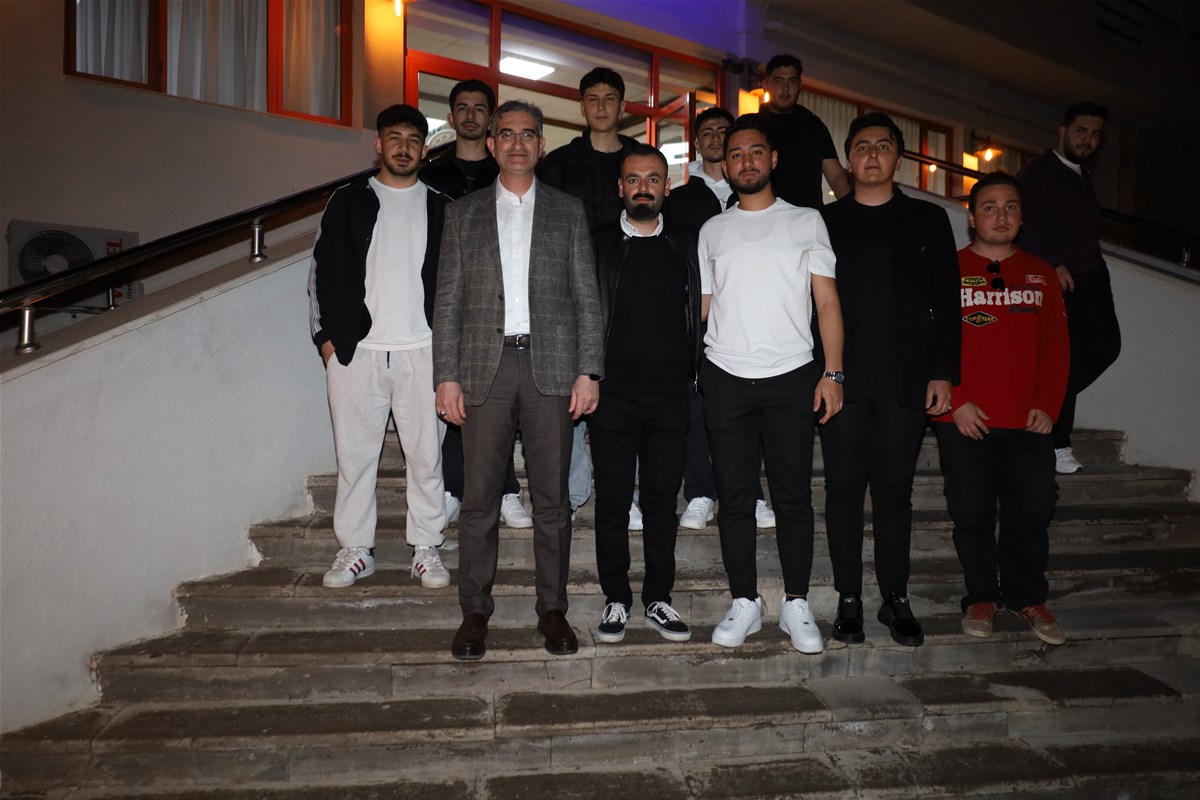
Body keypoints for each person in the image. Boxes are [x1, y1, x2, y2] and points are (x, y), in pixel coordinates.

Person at [434, 99, 604, 661]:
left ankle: (552, 609)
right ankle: (474, 612)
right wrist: (446, 377)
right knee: (479, 499)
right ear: (491, 143)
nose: (516, 143)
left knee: (552, 500)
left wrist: (589, 370)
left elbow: (587, 298)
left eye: (527, 134)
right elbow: (448, 303)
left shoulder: (568, 211)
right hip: (484, 369)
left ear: (541, 144)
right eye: (506, 134)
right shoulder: (463, 214)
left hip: (551, 369)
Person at [700, 119, 845, 655]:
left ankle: (795, 602)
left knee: (793, 498)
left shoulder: (807, 221)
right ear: (725, 164)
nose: (746, 161)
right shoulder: (712, 230)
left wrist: (833, 372)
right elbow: (704, 307)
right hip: (725, 377)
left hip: (792, 376)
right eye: (736, 153)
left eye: (755, 151)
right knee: (735, 499)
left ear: (774, 158)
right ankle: (744, 600)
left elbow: (827, 303)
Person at [817, 112, 960, 648]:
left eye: (882, 146)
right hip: (842, 378)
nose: (872, 154)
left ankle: (895, 597)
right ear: (849, 160)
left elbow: (948, 302)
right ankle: (849, 599)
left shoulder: (928, 219)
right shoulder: (824, 222)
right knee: (843, 488)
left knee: (895, 491)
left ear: (898, 159)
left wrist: (943, 372)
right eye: (862, 147)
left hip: (907, 379)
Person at [308, 104, 451, 590]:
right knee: (354, 459)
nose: (404, 147)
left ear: (424, 149)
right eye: (395, 138)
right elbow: (321, 272)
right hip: (357, 352)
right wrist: (327, 342)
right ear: (379, 144)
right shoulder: (347, 201)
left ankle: (426, 546)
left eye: (413, 139)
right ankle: (356, 549)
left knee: (427, 459)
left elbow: (458, 284)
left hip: (425, 350)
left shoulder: (443, 206)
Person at [933, 171, 1070, 646]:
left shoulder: (1041, 274)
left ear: (1022, 217)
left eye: (1010, 207)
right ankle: (981, 597)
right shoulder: (946, 269)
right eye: (989, 207)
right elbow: (929, 344)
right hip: (964, 419)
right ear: (971, 217)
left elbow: (1056, 351)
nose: (1001, 215)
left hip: (1028, 423)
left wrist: (1047, 407)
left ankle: (1027, 597)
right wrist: (955, 402)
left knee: (1031, 511)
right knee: (971, 513)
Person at [590, 143, 701, 644]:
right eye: (633, 179)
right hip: (611, 393)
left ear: (666, 187)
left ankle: (658, 597)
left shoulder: (686, 245)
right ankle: (615, 598)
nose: (643, 188)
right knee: (613, 500)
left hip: (670, 395)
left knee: (661, 500)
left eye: (653, 179)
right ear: (620, 187)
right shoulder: (597, 244)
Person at [420, 79, 532, 529]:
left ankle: (505, 491)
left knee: (495, 403)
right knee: (458, 400)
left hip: (501, 305)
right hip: (446, 297)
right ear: (451, 117)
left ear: (490, 121)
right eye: (462, 108)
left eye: (479, 108)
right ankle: (454, 489)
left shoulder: (506, 171)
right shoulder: (429, 175)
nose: (470, 115)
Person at [667, 106, 776, 531]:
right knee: (696, 410)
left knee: (748, 413)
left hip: (750, 317)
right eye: (707, 132)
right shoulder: (680, 197)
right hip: (697, 316)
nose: (715, 137)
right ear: (697, 143)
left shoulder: (754, 191)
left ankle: (751, 493)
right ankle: (700, 493)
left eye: (722, 131)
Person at [538, 67, 639, 525]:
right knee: (570, 398)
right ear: (582, 106)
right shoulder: (557, 164)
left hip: (628, 292)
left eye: (609, 98)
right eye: (593, 98)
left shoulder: (640, 160)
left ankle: (627, 495)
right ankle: (575, 494)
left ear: (622, 106)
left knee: (622, 400)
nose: (601, 106)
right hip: (569, 293)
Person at [1017, 102, 1120, 475]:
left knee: (1106, 347)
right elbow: (1018, 223)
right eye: (1081, 131)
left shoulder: (1082, 174)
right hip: (1061, 279)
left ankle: (1043, 403)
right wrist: (1048, 264)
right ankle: (1057, 443)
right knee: (1068, 357)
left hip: (1092, 277)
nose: (1088, 139)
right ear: (1063, 132)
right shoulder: (1039, 172)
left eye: (1095, 134)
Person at [739, 53, 850, 209]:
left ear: (800, 86)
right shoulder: (750, 125)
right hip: (761, 214)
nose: (785, 88)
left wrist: (853, 212)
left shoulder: (813, 125)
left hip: (807, 215)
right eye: (778, 81)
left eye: (792, 81)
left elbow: (836, 176)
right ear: (765, 85)